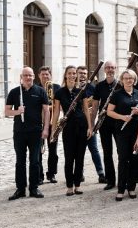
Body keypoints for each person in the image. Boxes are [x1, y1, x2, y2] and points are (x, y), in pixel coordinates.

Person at [5, 67, 50, 200]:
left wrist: (46, 128)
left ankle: (34, 188)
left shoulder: (40, 91)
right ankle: (20, 189)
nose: (28, 78)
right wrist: (17, 112)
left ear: (34, 77)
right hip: (19, 132)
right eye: (25, 75)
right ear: (21, 77)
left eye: (30, 75)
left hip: (35, 132)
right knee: (20, 161)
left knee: (35, 161)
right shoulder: (14, 92)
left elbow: (46, 111)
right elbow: (7, 112)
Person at [51, 65, 93, 196]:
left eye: (74, 73)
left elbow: (86, 109)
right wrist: (54, 129)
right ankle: (69, 186)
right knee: (69, 158)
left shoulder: (82, 91)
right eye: (69, 73)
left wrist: (90, 127)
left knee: (79, 157)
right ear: (65, 75)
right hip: (68, 127)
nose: (72, 75)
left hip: (82, 126)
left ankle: (78, 185)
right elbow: (57, 111)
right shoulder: (59, 92)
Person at [106, 69, 138, 201]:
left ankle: (131, 188)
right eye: (126, 78)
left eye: (131, 78)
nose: (128, 80)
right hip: (122, 131)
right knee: (123, 159)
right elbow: (109, 112)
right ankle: (121, 189)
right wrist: (122, 117)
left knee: (134, 158)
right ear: (122, 80)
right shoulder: (117, 94)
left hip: (137, 131)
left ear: (134, 80)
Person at [91, 60, 118, 190]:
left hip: (118, 122)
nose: (110, 69)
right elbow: (95, 105)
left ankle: (125, 178)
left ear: (116, 69)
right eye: (108, 67)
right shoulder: (99, 86)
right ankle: (110, 180)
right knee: (107, 153)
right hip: (104, 122)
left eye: (112, 67)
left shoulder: (120, 84)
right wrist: (92, 124)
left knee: (122, 151)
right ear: (104, 70)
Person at [77, 65, 105, 185]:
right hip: (77, 125)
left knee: (94, 149)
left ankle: (101, 174)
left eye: (84, 73)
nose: (82, 75)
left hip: (90, 124)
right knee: (79, 151)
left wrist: (93, 123)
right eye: (80, 73)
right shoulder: (73, 89)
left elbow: (95, 106)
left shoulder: (93, 88)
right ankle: (79, 174)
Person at [37, 66, 59, 184]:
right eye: (43, 74)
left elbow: (60, 106)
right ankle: (39, 175)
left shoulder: (57, 88)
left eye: (47, 74)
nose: (45, 76)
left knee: (53, 151)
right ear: (39, 76)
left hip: (52, 123)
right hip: (39, 124)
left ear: (51, 76)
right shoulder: (35, 88)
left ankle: (52, 174)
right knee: (39, 150)